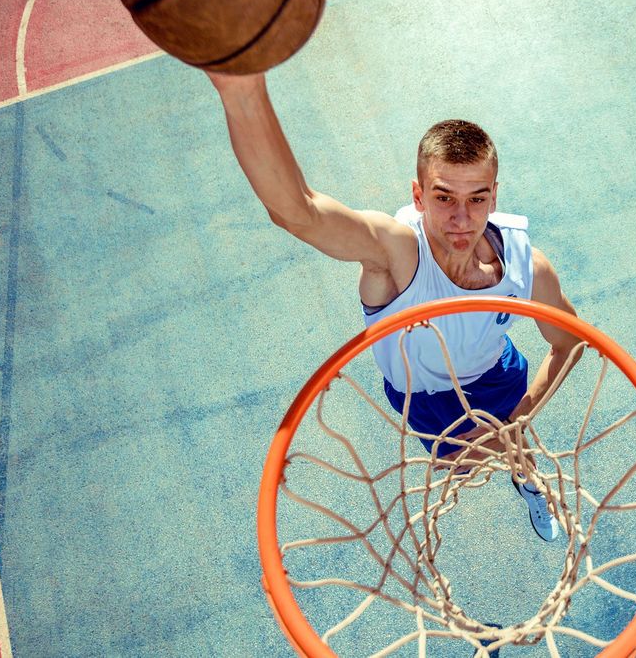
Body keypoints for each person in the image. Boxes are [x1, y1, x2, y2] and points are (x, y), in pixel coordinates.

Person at [208, 72, 582, 542]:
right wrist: (242, 91)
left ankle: (526, 477)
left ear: (494, 195)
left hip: (496, 375)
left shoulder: (527, 266)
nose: (461, 219)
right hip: (425, 398)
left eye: (476, 199)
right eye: (444, 198)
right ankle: (481, 460)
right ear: (418, 195)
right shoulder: (396, 254)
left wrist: (520, 415)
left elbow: (570, 342)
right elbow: (295, 212)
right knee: (464, 464)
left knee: (514, 444)